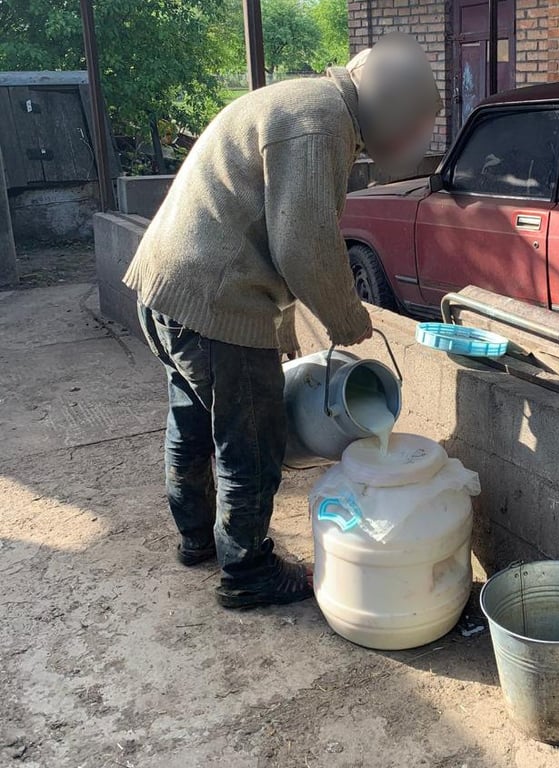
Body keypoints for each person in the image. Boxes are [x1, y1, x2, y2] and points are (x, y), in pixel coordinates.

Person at [124, 33, 442, 609]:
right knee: (253, 440)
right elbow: (303, 245)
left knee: (192, 421)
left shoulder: (302, 101)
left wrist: (287, 328)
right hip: (219, 305)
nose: (412, 142)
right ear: (395, 109)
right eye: (416, 127)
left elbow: (268, 228)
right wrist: (348, 320)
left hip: (167, 289)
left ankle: (197, 539)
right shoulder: (322, 124)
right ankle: (247, 572)